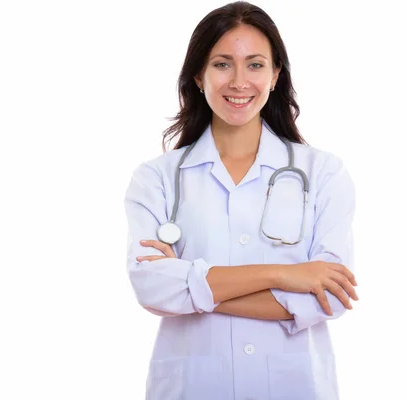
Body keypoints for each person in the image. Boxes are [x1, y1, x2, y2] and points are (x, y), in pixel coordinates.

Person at [123, 2, 358, 399]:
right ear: (198, 75)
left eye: (254, 64)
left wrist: (190, 287)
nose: (238, 81)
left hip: (292, 386)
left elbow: (330, 297)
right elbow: (151, 287)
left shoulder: (323, 173)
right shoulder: (157, 179)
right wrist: (283, 274)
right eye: (221, 64)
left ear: (275, 74)